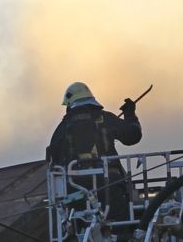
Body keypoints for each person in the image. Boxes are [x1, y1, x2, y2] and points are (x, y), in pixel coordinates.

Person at [47, 81, 142, 222]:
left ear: (69, 104)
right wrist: (130, 114)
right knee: (120, 227)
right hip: (110, 185)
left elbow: (52, 157)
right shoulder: (106, 118)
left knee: (82, 229)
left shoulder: (63, 127)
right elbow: (132, 135)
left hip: (76, 189)